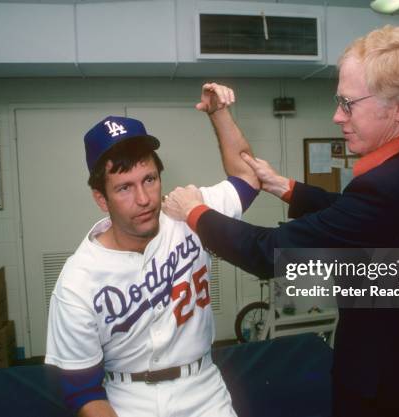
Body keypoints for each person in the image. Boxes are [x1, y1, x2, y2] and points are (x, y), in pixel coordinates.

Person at [163, 26, 399, 417]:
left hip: (389, 390)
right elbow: (362, 217)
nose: (336, 116)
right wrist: (288, 188)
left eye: (348, 103)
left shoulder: (389, 188)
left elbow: (267, 253)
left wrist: (194, 211)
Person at [45, 83, 259, 417]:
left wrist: (219, 113)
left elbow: (248, 177)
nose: (144, 199)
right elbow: (82, 391)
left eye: (149, 179)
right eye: (124, 188)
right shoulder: (77, 280)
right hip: (127, 398)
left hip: (203, 390)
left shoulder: (189, 214)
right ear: (101, 198)